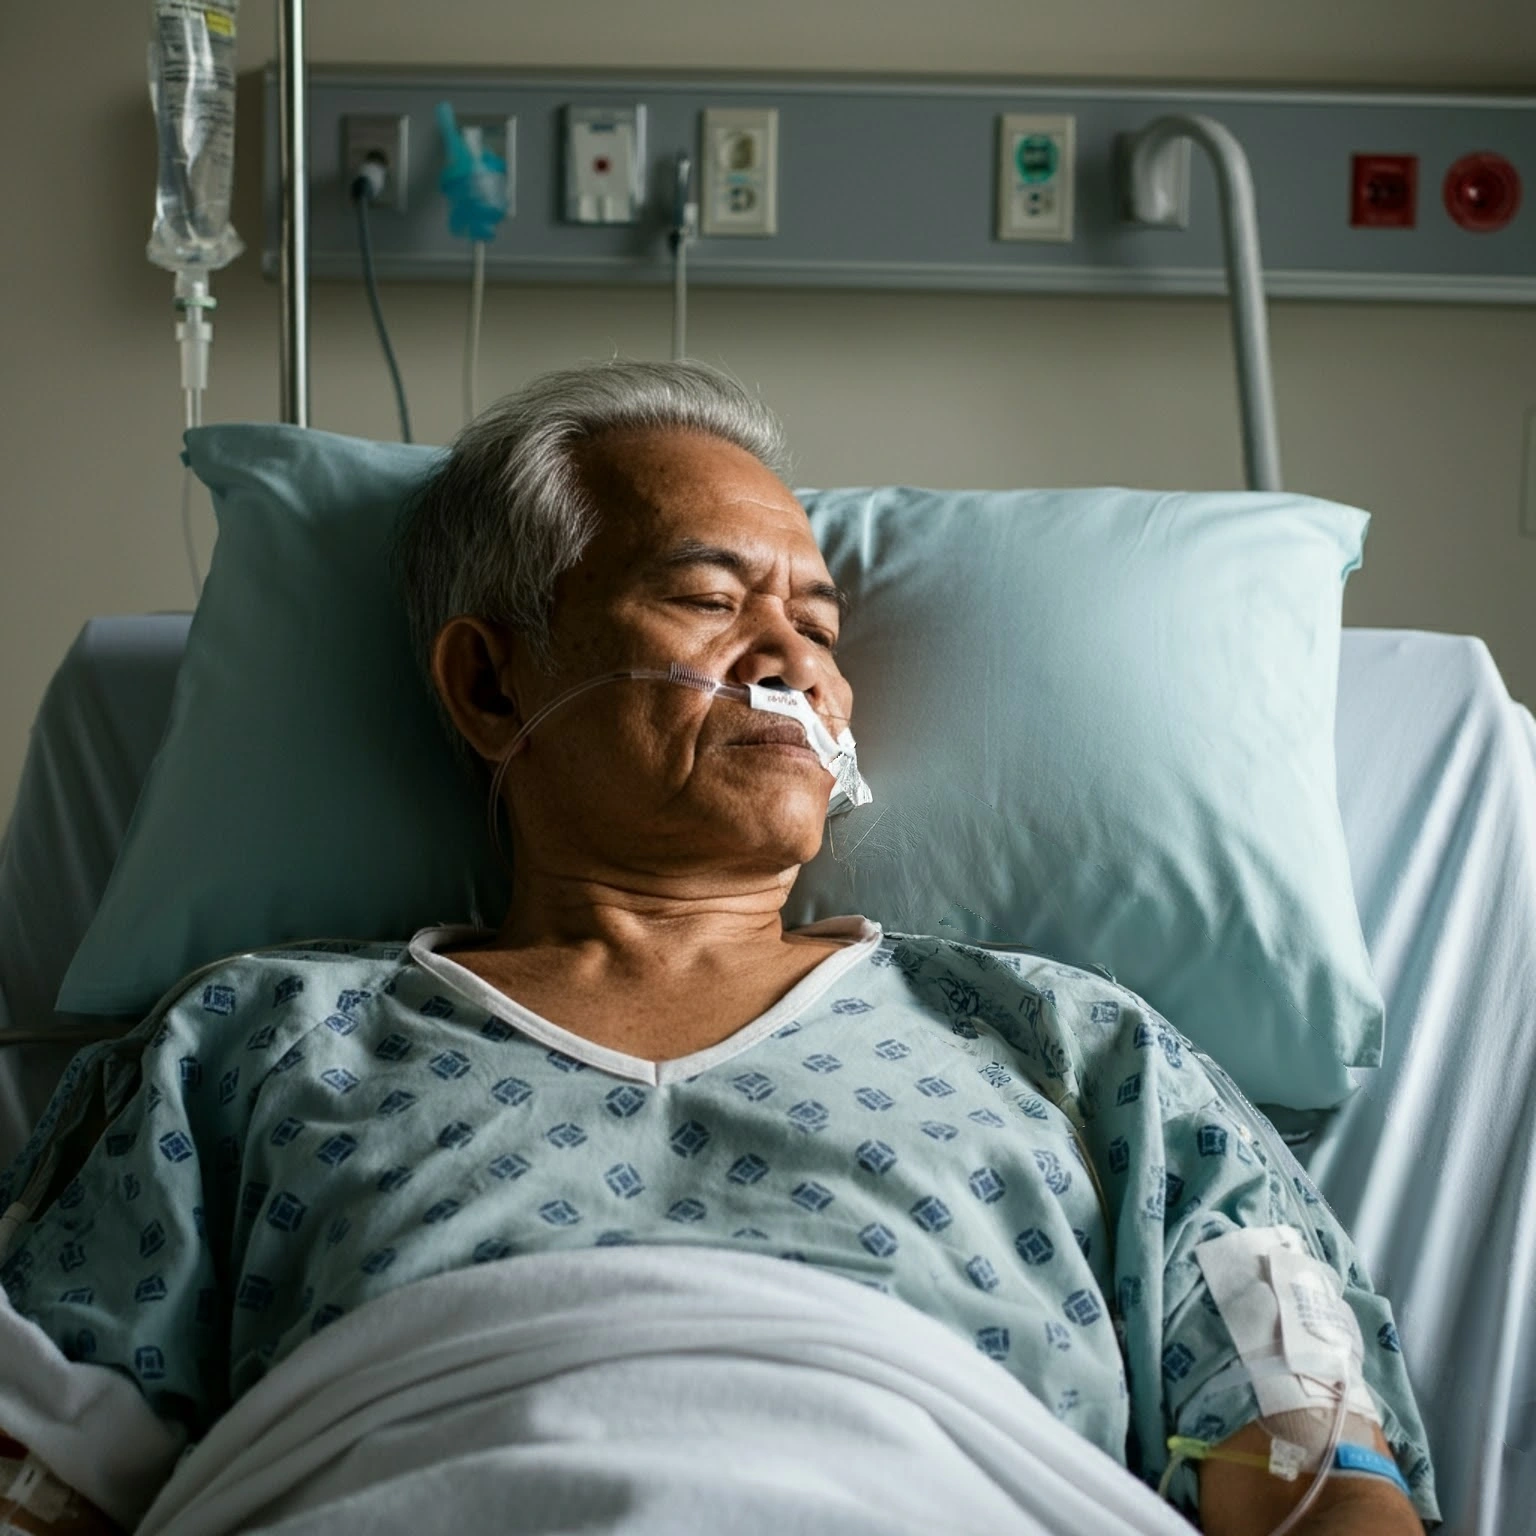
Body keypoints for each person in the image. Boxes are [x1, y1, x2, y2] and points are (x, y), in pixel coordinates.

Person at [0, 361, 1435, 1534]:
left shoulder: (1074, 1049)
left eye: (816, 624)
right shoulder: (242, 1047)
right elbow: (40, 1476)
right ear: (492, 682)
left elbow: (1311, 1481)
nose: (796, 659)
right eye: (707, 599)